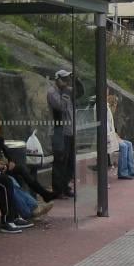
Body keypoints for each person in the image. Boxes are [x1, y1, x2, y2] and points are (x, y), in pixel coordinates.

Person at [0, 108, 56, 206]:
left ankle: (43, 194)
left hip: (2, 164)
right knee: (13, 180)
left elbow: (5, 149)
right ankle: (30, 203)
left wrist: (11, 160)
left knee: (22, 170)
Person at [47, 69, 75, 198]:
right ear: (57, 79)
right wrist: (65, 91)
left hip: (69, 130)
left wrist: (77, 80)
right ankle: (57, 190)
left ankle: (65, 186)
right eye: (64, 79)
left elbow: (81, 93)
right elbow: (61, 107)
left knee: (69, 161)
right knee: (60, 160)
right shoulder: (53, 92)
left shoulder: (67, 91)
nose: (66, 81)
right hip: (59, 131)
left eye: (68, 79)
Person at [107, 92, 134, 180]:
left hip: (112, 137)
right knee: (124, 146)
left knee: (129, 144)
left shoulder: (109, 110)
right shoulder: (106, 109)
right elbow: (108, 129)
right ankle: (122, 172)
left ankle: (131, 170)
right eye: (115, 104)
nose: (116, 107)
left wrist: (117, 138)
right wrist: (116, 139)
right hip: (108, 138)